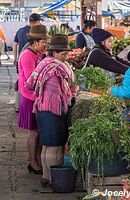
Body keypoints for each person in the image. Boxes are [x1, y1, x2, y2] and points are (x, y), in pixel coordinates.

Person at [25, 34, 78, 187]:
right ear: (54, 52)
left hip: (41, 108)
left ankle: (46, 177)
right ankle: (56, 180)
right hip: (53, 109)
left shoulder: (43, 63)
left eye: (67, 54)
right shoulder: (57, 66)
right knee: (54, 146)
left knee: (47, 145)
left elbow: (29, 84)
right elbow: (70, 83)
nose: (66, 57)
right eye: (63, 54)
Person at [18, 24, 50, 175]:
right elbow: (31, 81)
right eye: (44, 42)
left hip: (38, 98)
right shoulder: (27, 56)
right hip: (30, 99)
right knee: (34, 132)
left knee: (39, 131)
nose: (46, 45)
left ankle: (37, 160)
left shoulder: (38, 54)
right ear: (35, 42)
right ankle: (32, 163)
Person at [13, 13, 42, 113]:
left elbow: (15, 44)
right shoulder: (35, 32)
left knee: (20, 80)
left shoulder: (20, 30)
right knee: (26, 81)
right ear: (37, 22)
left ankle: (18, 106)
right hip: (28, 58)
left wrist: (15, 57)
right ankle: (23, 107)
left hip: (20, 58)